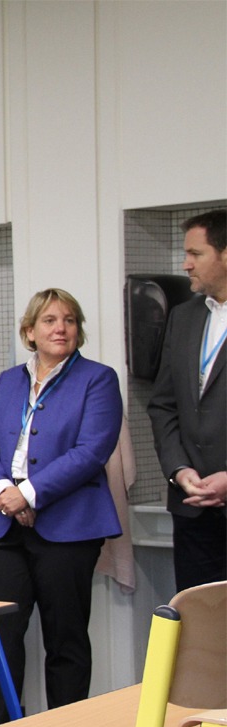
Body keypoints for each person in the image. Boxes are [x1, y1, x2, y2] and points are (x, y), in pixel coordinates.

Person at [0, 288, 122, 726]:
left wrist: (31, 494)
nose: (62, 328)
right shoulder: (10, 380)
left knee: (66, 640)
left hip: (69, 526)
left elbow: (91, 451)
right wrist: (5, 491)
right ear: (29, 331)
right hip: (5, 525)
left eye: (70, 320)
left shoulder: (97, 378)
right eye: (51, 320)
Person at [148, 209, 227, 591]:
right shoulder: (183, 316)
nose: (186, 264)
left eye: (196, 253)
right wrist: (179, 469)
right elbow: (163, 405)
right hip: (193, 508)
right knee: (201, 634)